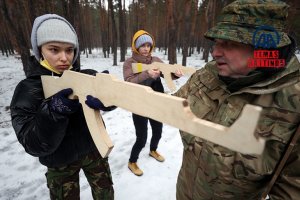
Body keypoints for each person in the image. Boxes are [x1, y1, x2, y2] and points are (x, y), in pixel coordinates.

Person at [173, 0, 300, 199]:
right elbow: (171, 106)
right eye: (216, 42)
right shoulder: (208, 75)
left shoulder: (294, 102)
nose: (215, 52)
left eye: (229, 43)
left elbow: (292, 189)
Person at [10, 14, 115, 199]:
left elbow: (116, 96)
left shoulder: (86, 76)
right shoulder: (28, 90)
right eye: (54, 49)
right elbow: (32, 143)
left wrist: (109, 95)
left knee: (105, 193)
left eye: (69, 50)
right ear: (40, 50)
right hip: (59, 161)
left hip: (93, 151)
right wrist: (53, 111)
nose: (64, 58)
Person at [123, 30, 183, 176]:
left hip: (156, 102)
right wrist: (146, 74)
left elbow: (166, 73)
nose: (146, 48)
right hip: (139, 104)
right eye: (142, 45)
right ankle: (132, 161)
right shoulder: (129, 63)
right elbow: (128, 81)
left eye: (148, 45)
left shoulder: (155, 60)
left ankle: (153, 150)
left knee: (158, 131)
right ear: (136, 46)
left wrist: (176, 73)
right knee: (141, 137)